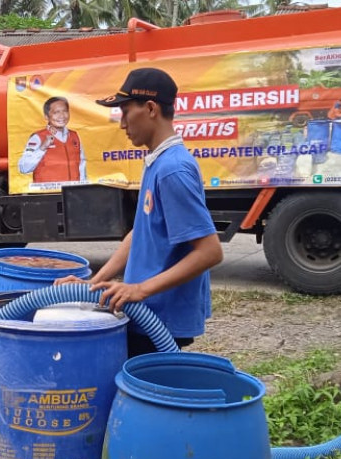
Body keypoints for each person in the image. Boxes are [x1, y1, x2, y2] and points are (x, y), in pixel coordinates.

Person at [56, 68, 223, 358]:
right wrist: (92, 284)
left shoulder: (173, 169)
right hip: (147, 311)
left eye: (125, 111)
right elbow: (140, 233)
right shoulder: (157, 162)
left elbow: (210, 251)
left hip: (161, 318)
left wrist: (141, 290)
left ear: (150, 109)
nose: (122, 124)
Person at [18, 96, 87, 183]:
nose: (62, 116)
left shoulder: (75, 136)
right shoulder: (38, 137)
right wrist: (42, 148)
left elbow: (82, 166)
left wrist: (82, 189)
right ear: (46, 116)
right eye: (56, 112)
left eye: (65, 111)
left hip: (71, 193)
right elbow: (23, 168)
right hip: (47, 194)